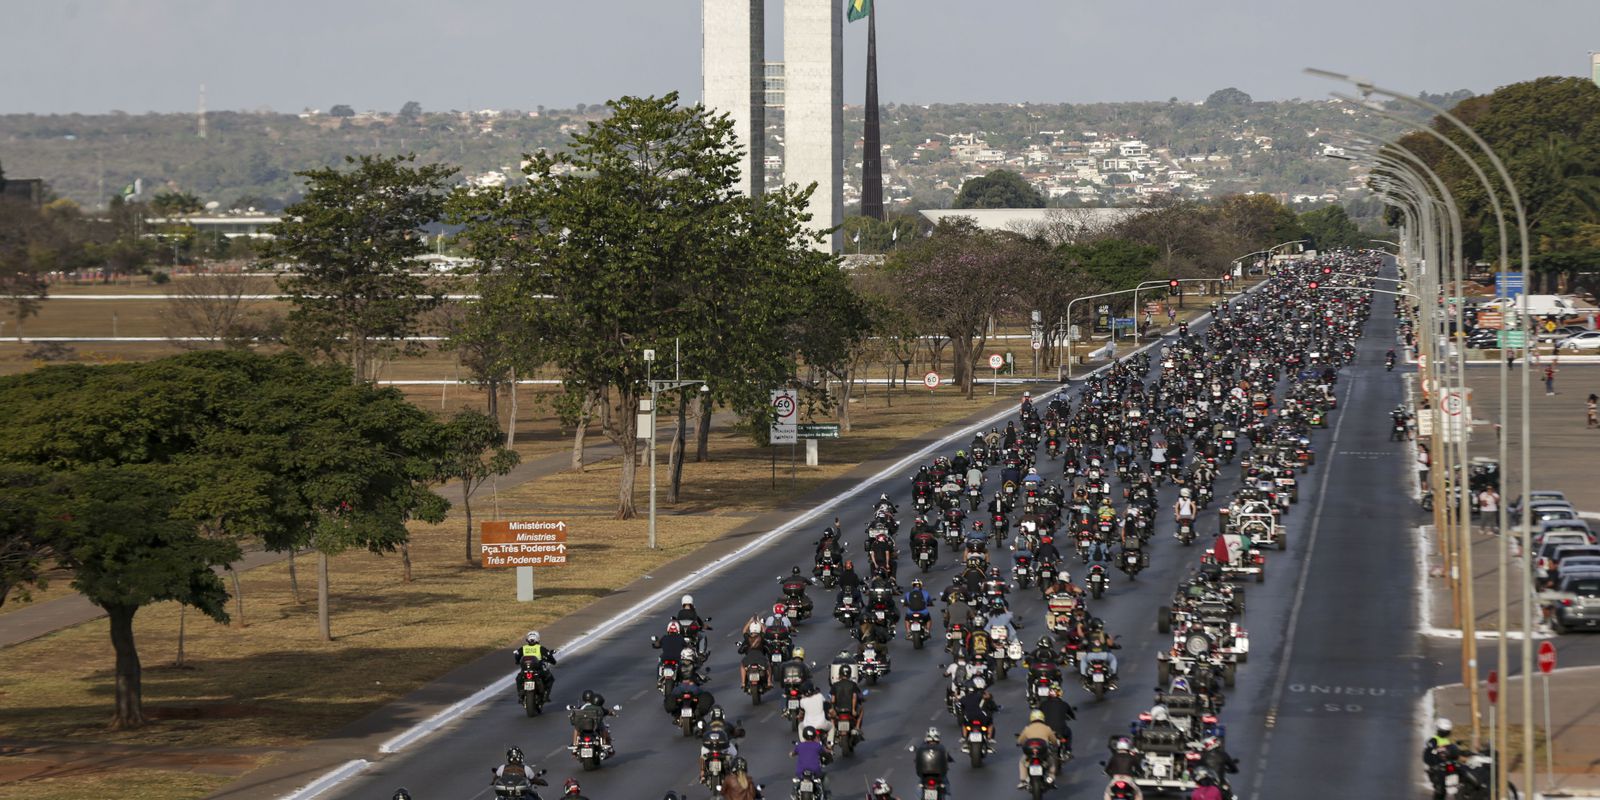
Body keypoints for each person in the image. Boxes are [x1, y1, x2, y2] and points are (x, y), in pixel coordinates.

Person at [1015, 708, 1060, 788]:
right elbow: (1054, 740)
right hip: (1043, 750)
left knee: (1022, 762)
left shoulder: (1027, 728)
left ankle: (1023, 781)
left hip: (1030, 751)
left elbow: (1020, 740)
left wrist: (1018, 743)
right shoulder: (1047, 728)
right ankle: (1051, 777)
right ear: (1042, 718)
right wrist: (1055, 744)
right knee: (1052, 761)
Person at [1422, 718, 1460, 800]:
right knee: (1441, 789)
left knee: (1460, 775)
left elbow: (1452, 751)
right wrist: (1435, 764)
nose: (1445, 733)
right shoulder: (1433, 741)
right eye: (1444, 730)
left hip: (1448, 766)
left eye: (1447, 731)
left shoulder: (1447, 741)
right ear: (1438, 730)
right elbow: (1427, 755)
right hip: (1438, 768)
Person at [513, 630, 558, 694]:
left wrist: (517, 661)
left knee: (518, 678)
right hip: (537, 669)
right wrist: (553, 661)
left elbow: (517, 655)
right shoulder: (540, 648)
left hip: (526, 670)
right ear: (538, 639)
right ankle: (546, 693)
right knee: (550, 678)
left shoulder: (523, 648)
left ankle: (520, 692)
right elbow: (548, 655)